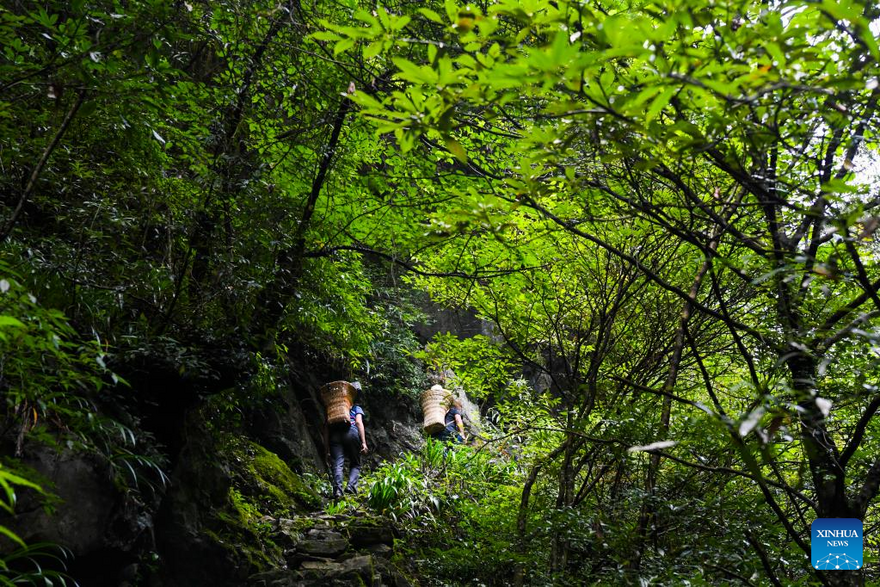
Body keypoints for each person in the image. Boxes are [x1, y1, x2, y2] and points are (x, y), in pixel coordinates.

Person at [323, 381, 368, 500]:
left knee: (337, 463)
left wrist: (327, 449)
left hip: (335, 435)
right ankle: (351, 486)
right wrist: (363, 442)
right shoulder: (356, 408)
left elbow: (326, 428)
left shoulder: (332, 408)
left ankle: (338, 491)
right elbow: (359, 422)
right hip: (351, 432)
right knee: (356, 463)